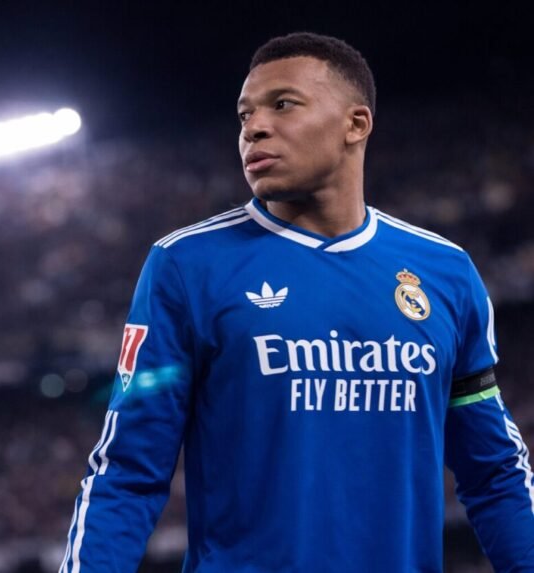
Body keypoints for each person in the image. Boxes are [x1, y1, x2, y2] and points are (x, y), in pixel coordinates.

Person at [60, 32, 534, 572]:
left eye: (282, 104)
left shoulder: (446, 273)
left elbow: (495, 473)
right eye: (244, 115)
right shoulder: (187, 266)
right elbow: (127, 471)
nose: (254, 127)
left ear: (356, 124)